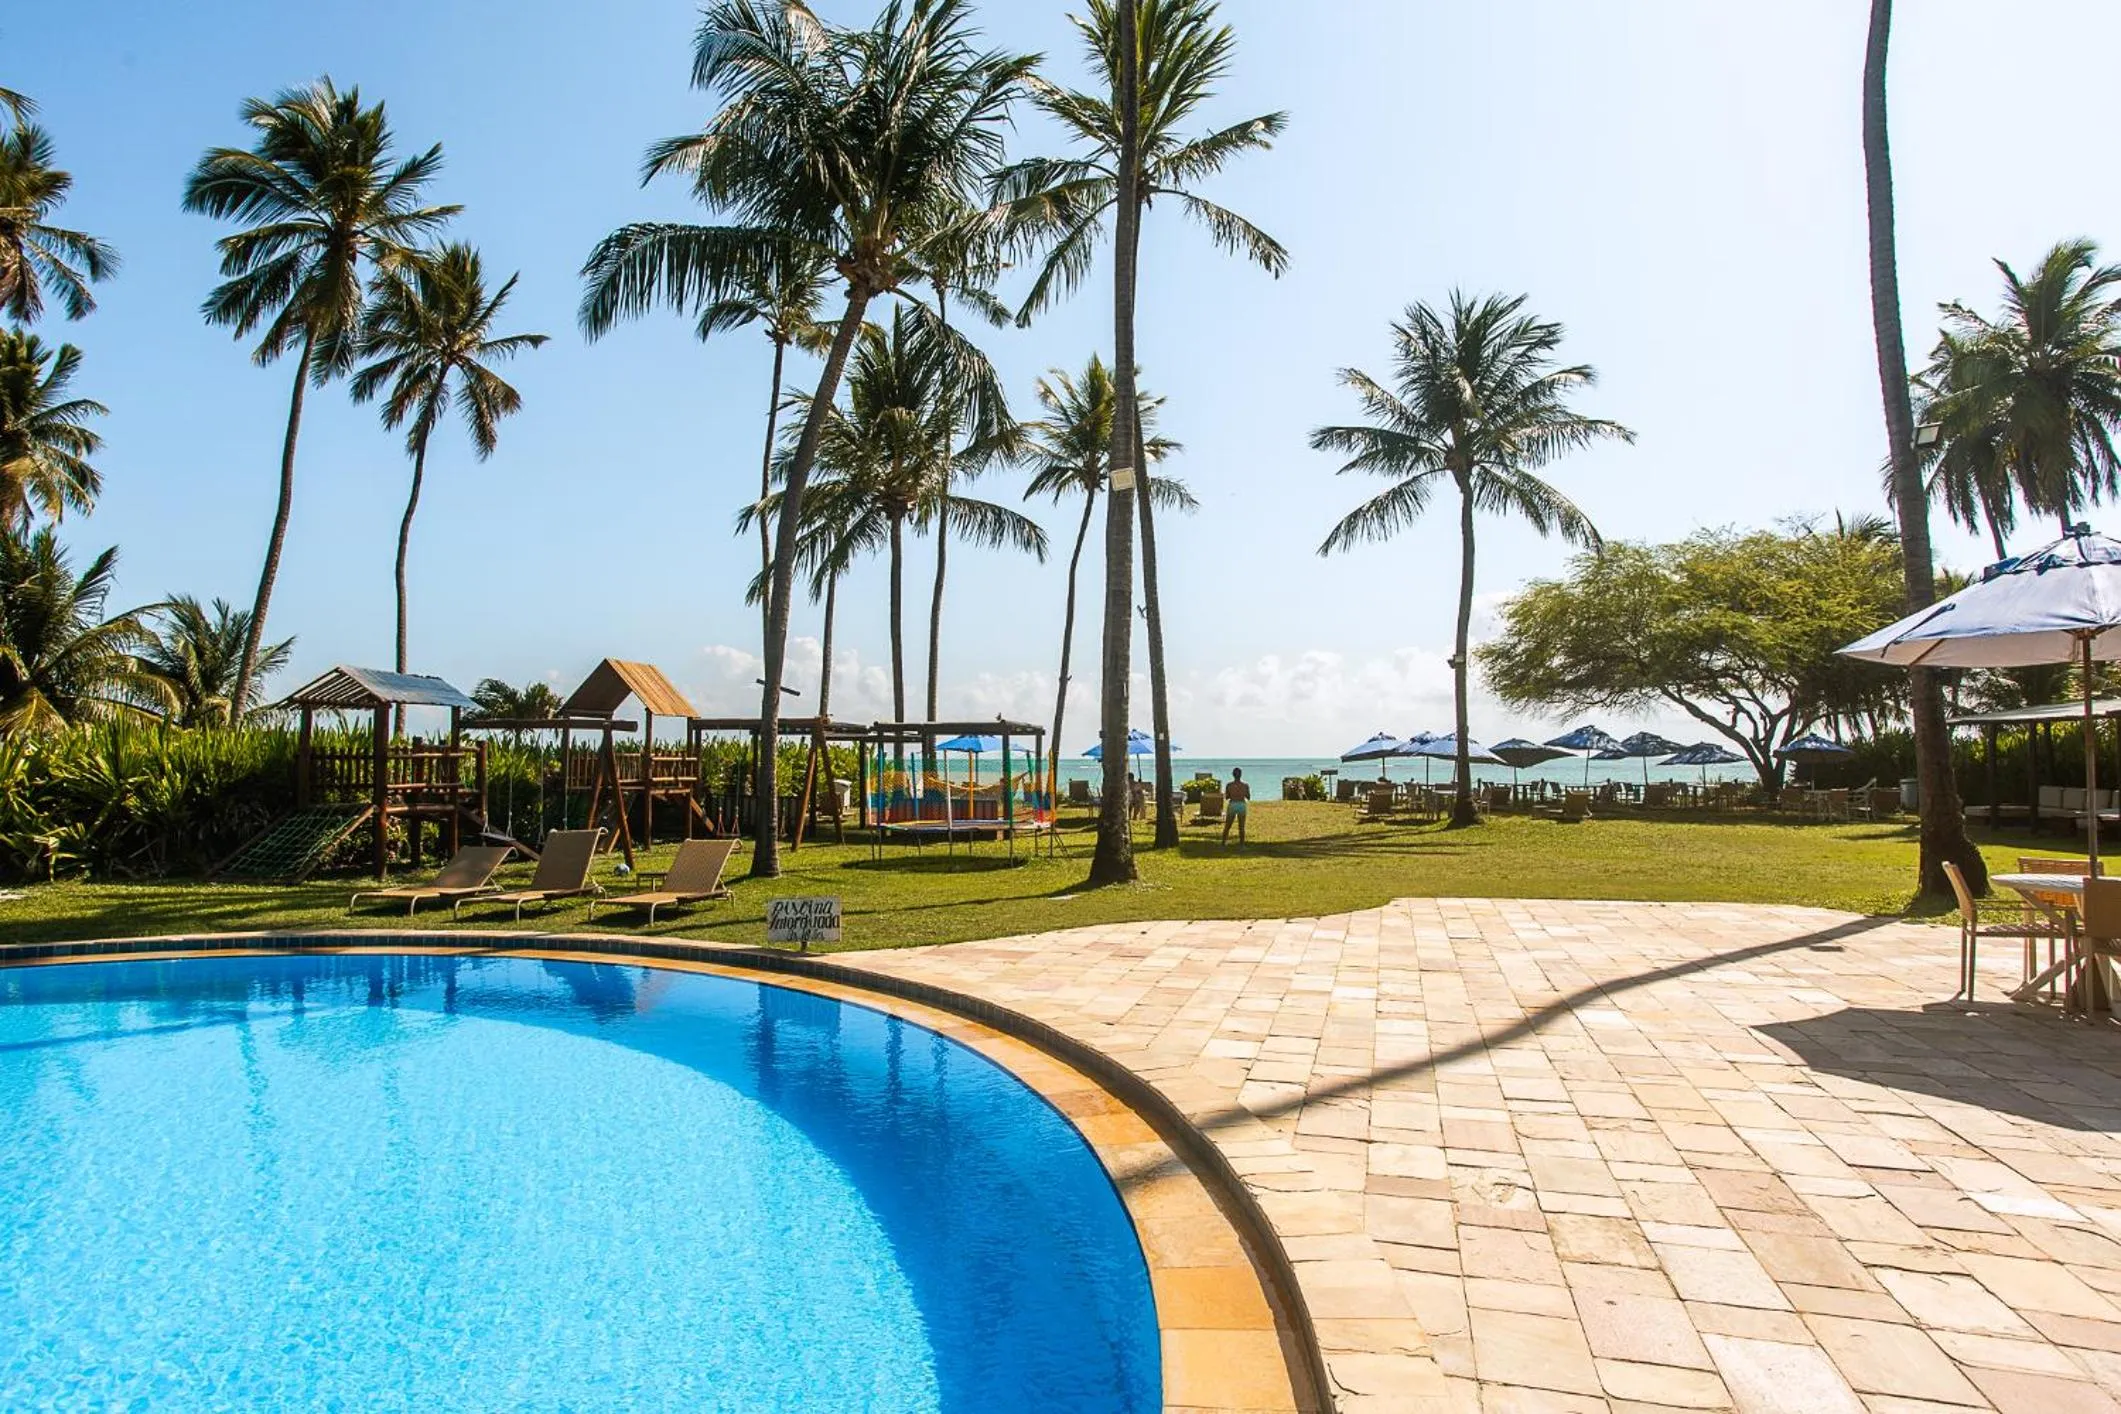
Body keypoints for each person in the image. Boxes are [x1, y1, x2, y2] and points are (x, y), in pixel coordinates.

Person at [1222, 766, 1251, 845]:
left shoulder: (1229, 785)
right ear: (1241, 775)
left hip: (1233, 804)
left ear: (1233, 775)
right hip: (1241, 804)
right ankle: (1242, 844)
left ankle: (1223, 842)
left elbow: (1227, 797)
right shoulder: (1245, 785)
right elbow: (1248, 797)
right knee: (1241, 826)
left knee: (1228, 825)